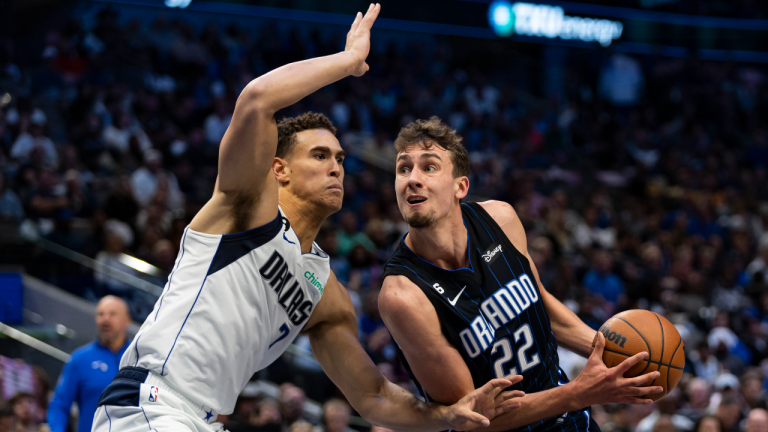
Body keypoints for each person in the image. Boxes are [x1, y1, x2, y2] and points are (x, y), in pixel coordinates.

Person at [92, 6, 522, 432]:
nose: (336, 166)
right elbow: (257, 100)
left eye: (339, 158)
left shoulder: (326, 295)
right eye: (319, 156)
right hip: (151, 403)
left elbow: (371, 396)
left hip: (204, 421)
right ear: (279, 169)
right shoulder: (244, 209)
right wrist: (349, 62)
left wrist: (448, 413)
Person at [378, 116, 664, 432]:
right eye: (403, 169)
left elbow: (541, 307)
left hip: (567, 417)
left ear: (460, 186)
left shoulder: (500, 218)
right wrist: (579, 393)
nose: (412, 179)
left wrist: (612, 354)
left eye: (429, 167)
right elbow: (472, 417)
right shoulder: (402, 295)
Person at [47, 296, 132, 432]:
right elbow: (60, 404)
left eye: (112, 314)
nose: (105, 319)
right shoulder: (80, 359)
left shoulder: (141, 358)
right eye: (100, 314)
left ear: (127, 320)